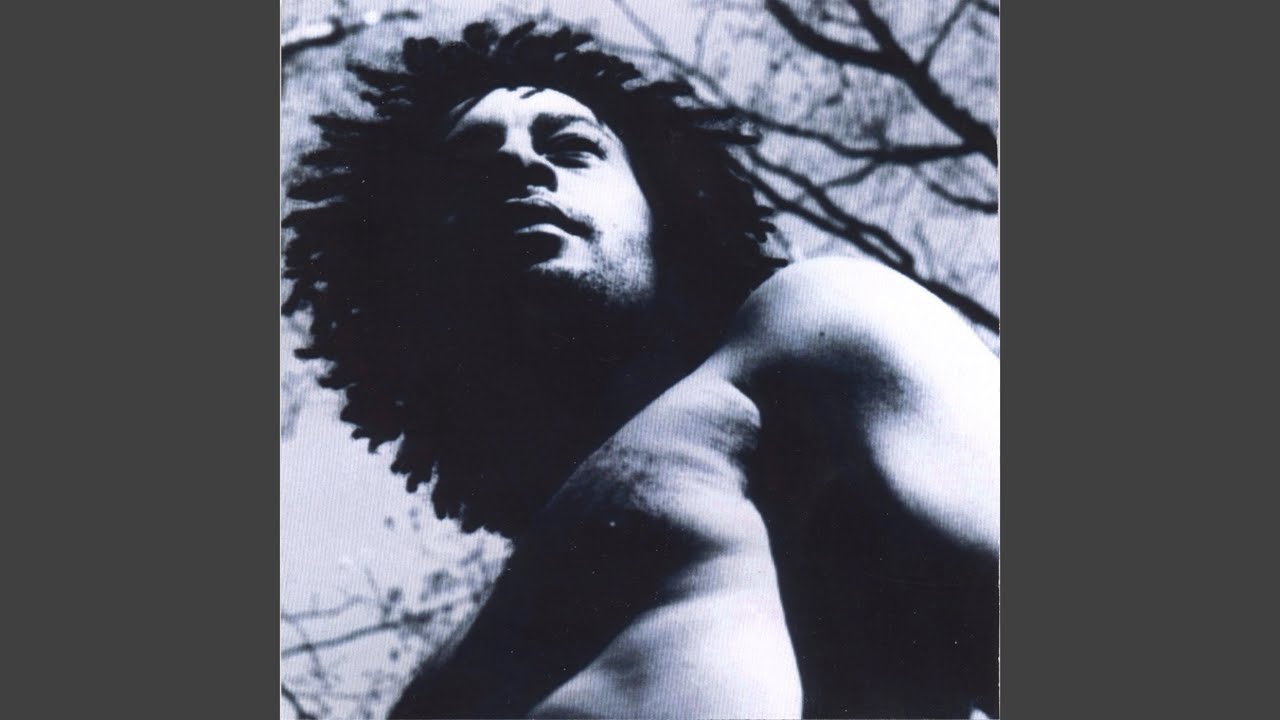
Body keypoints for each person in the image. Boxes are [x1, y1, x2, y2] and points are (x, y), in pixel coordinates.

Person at [283, 22, 999, 720]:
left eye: (572, 146)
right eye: (467, 167)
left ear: (669, 206)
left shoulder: (808, 328)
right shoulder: (449, 667)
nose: (519, 164)